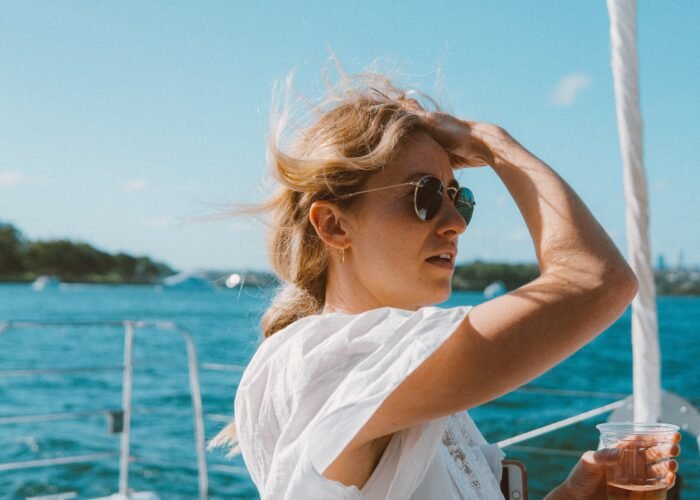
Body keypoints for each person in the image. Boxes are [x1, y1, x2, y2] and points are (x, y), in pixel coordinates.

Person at [211, 70, 680, 499]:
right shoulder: (330, 361)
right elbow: (597, 279)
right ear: (334, 226)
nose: (455, 222)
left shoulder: (392, 367)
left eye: (459, 198)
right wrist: (495, 145)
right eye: (425, 196)